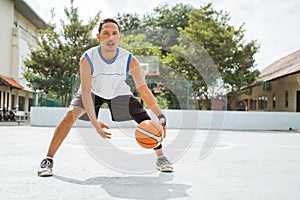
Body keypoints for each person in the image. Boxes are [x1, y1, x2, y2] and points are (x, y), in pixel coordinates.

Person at [37, 18, 173, 177]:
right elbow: (86, 92)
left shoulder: (129, 59)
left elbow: (143, 89)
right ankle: (48, 159)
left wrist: (160, 115)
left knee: (145, 119)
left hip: (118, 92)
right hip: (93, 92)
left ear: (119, 38)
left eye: (114, 33)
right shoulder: (88, 58)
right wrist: (94, 123)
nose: (110, 37)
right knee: (69, 115)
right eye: (106, 33)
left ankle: (161, 158)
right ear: (99, 37)